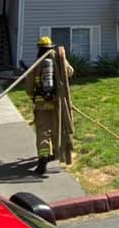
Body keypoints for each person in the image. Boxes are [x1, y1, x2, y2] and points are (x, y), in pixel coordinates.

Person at [26, 36, 74, 175]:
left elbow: (29, 88)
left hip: (42, 105)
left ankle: (43, 159)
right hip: (57, 104)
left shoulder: (36, 64)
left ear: (39, 48)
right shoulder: (58, 60)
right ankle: (56, 154)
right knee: (56, 129)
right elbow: (70, 72)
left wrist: (34, 99)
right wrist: (63, 63)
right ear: (51, 47)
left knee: (43, 131)